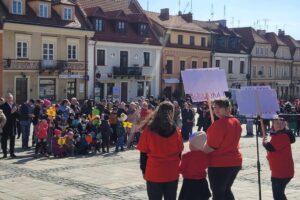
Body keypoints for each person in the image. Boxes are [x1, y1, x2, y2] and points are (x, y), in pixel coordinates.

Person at [137, 101, 184, 200]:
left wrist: (143, 170)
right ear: (171, 113)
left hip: (154, 172)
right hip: (171, 172)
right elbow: (180, 151)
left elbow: (143, 153)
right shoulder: (176, 131)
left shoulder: (148, 131)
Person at [201, 98, 242, 200]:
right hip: (235, 162)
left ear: (228, 108)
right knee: (226, 190)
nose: (216, 110)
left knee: (218, 194)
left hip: (220, 164)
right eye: (215, 107)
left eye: (220, 107)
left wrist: (200, 151)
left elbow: (211, 147)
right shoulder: (236, 121)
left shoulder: (219, 124)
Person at [263, 117, 295, 200]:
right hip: (280, 170)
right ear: (272, 125)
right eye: (277, 123)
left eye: (281, 123)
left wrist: (265, 142)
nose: (279, 125)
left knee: (278, 196)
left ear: (285, 125)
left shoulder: (283, 136)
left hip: (281, 172)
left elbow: (271, 147)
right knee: (279, 195)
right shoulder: (277, 135)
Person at [179, 132, 211, 200]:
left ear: (193, 145)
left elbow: (181, 169)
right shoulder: (205, 156)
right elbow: (207, 165)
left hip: (189, 182)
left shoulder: (186, 156)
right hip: (202, 181)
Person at [0, 93, 18, 158]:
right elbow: (3, 117)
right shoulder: (2, 106)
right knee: (4, 140)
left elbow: (18, 115)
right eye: (9, 98)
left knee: (12, 140)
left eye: (11, 98)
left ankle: (12, 153)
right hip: (6, 126)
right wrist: (11, 112)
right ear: (6, 98)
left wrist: (16, 112)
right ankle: (5, 153)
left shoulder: (14, 105)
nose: (10, 99)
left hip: (13, 125)